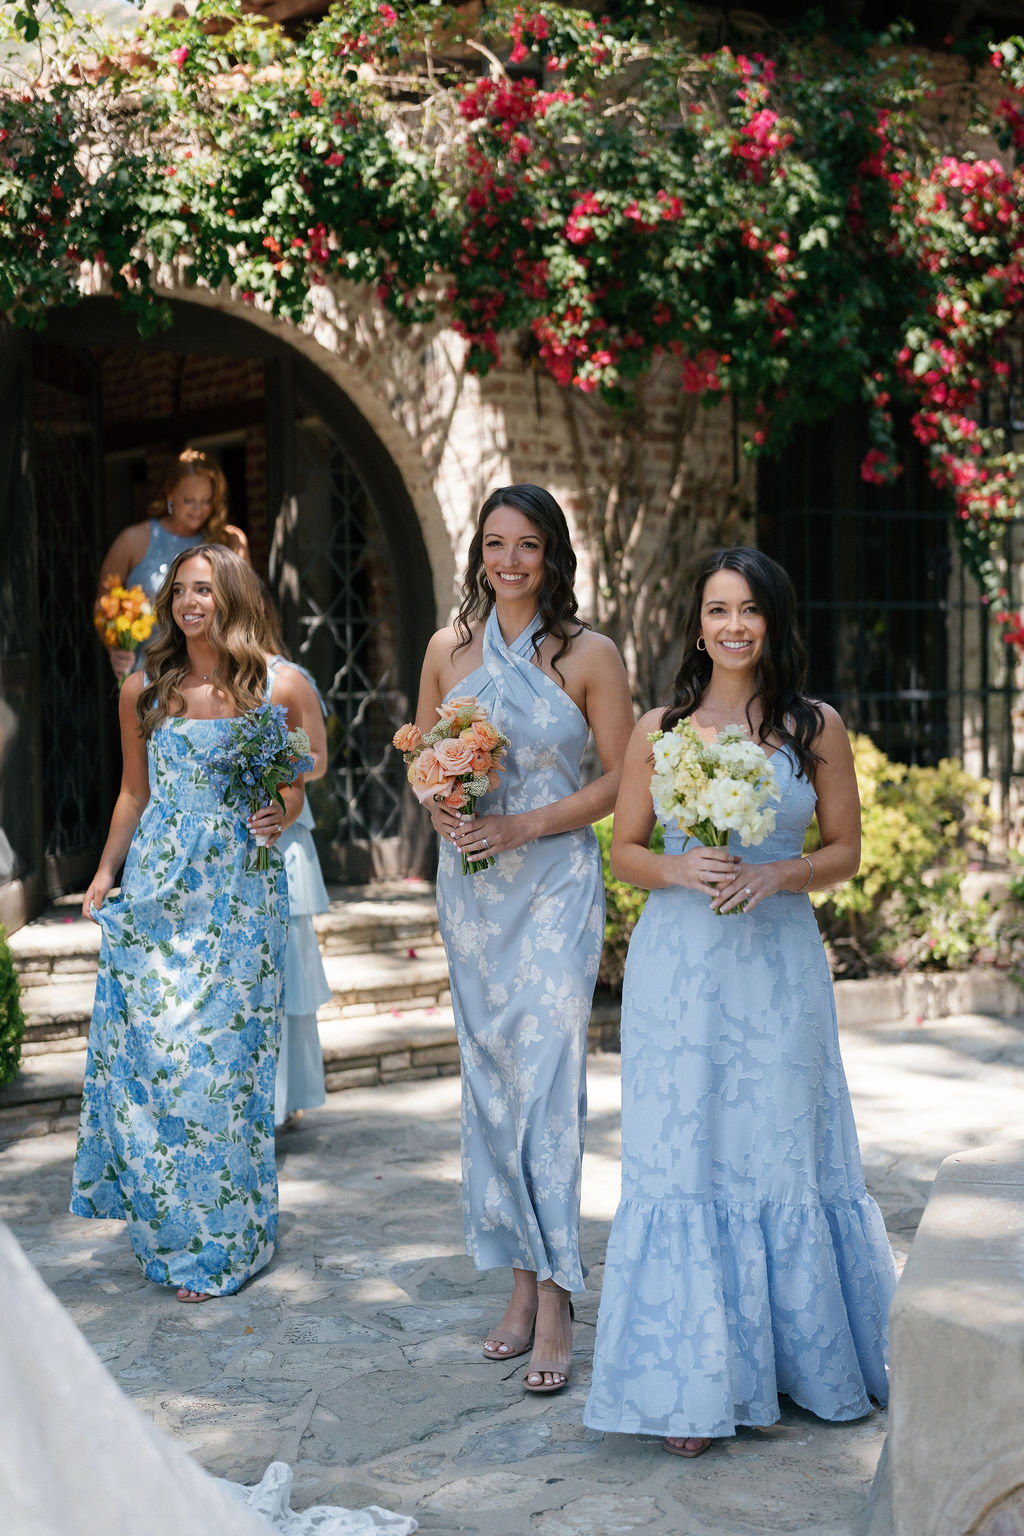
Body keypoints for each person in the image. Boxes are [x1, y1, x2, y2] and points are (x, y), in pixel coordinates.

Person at [584, 547, 897, 1456]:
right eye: (718, 610)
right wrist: (682, 867)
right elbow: (626, 851)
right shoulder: (661, 729)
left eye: (749, 609)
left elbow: (846, 849)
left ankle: (799, 1367)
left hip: (778, 967)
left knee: (779, 1151)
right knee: (686, 1156)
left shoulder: (816, 726)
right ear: (698, 625)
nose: (733, 626)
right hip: (680, 970)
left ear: (773, 621)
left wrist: (779, 874)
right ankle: (695, 1382)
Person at [414, 484, 634, 1393]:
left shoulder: (589, 654)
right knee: (492, 1089)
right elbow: (426, 760)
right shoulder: (447, 649)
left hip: (553, 888)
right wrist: (445, 810)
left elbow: (622, 779)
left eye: (528, 545)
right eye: (495, 544)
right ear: (480, 554)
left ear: (553, 557)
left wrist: (522, 825)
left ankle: (556, 1296)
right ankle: (516, 1280)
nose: (509, 561)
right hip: (472, 892)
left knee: (545, 1088)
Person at [71, 544, 309, 1302]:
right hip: (161, 890)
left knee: (226, 1070)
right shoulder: (143, 687)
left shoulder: (274, 685)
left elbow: (298, 785)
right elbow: (133, 793)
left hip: (241, 894)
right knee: (163, 1063)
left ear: (230, 596)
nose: (188, 602)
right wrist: (105, 873)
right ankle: (175, 1235)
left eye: (203, 589)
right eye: (179, 590)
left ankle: (231, 1240)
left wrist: (280, 812)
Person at [255, 593, 332, 1129]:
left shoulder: (289, 680)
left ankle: (284, 1100)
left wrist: (271, 772)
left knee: (287, 978)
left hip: (283, 834)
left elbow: (317, 759)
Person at [96, 449, 250, 679]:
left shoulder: (230, 540)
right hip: (149, 676)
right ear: (170, 493)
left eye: (206, 501)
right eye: (189, 500)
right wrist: (115, 650)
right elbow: (103, 606)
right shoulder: (133, 540)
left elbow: (250, 607)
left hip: (215, 677)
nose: (197, 509)